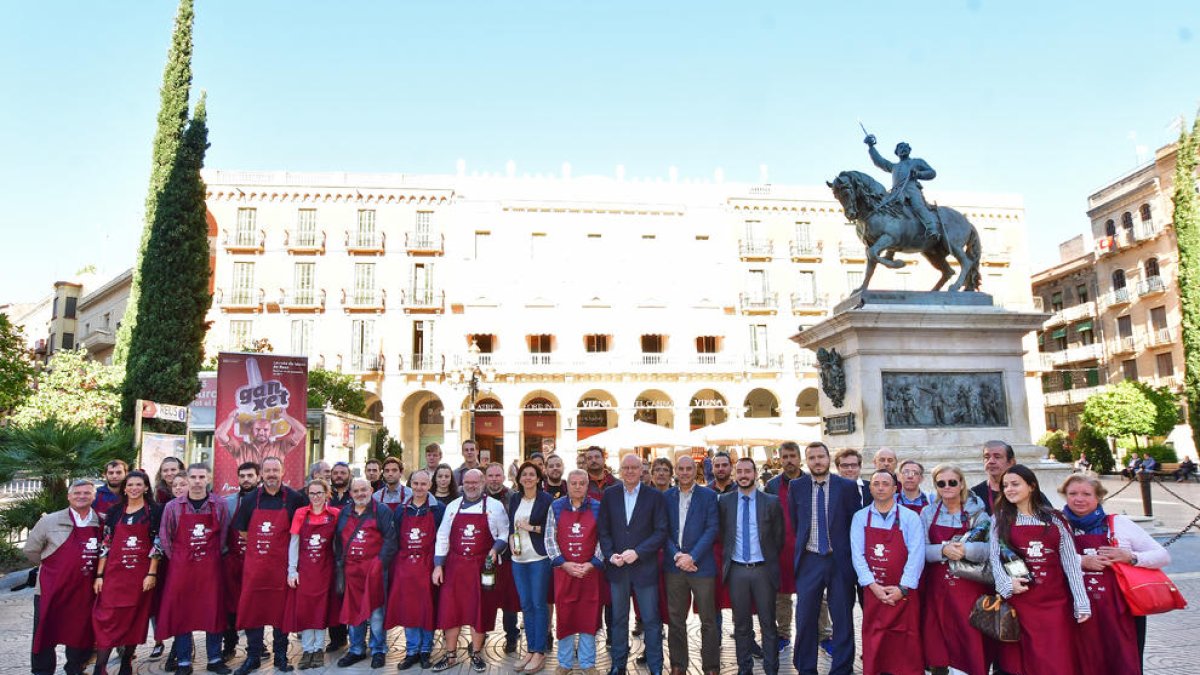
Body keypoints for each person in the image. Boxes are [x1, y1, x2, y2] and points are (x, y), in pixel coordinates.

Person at [1061, 472, 1170, 673]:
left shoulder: (1118, 524)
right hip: (1074, 608)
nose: (1079, 499)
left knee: (1124, 660)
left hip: (1120, 610)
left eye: (1086, 494)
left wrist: (1130, 557)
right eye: (1072, 493)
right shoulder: (1057, 525)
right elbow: (1047, 558)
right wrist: (1081, 561)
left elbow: (1162, 555)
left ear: (1098, 497)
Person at [990, 464, 1090, 675]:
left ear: (1032, 486)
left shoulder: (1055, 519)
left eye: (1015, 484)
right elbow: (995, 559)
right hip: (1020, 603)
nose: (1009, 489)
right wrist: (1006, 585)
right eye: (1005, 485)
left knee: (1056, 660)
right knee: (1023, 664)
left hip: (1055, 604)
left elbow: (1070, 562)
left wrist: (1081, 601)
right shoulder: (1000, 520)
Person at [231, 456, 308, 674]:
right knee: (253, 612)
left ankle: (281, 656)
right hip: (255, 569)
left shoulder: (295, 498)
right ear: (262, 474)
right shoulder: (250, 499)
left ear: (283, 472)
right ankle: (253, 656)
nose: (272, 474)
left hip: (282, 568)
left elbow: (300, 532)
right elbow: (243, 531)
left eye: (276, 470)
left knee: (280, 613)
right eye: (268, 470)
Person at [789, 441, 860, 675]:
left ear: (829, 459)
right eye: (812, 458)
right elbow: (796, 522)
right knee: (806, 618)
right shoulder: (796, 487)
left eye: (821, 457)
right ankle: (806, 668)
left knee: (842, 618)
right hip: (810, 560)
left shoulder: (846, 487)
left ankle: (841, 669)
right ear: (806, 461)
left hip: (839, 561)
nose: (817, 461)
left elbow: (854, 524)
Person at [431, 469, 510, 673]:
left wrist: (495, 550)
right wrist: (439, 565)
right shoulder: (452, 507)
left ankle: (475, 653)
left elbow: (504, 532)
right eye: (468, 482)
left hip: (482, 567)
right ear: (462, 483)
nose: (471, 485)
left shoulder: (494, 506)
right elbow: (442, 537)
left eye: (476, 482)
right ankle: (450, 655)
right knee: (451, 610)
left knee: (480, 610)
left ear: (483, 483)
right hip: (455, 566)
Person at [157, 464, 230, 675]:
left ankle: (215, 659)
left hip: (211, 568)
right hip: (181, 569)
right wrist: (178, 559)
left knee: (213, 612)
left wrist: (213, 555)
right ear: (186, 479)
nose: (197, 481)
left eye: (201, 477)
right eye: (193, 477)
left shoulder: (220, 504)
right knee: (182, 613)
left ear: (208, 478)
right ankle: (183, 662)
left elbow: (223, 534)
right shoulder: (172, 506)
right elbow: (165, 536)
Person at [851, 469, 926, 675]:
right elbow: (857, 555)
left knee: (906, 639)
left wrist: (903, 587)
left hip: (904, 592)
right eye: (876, 483)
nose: (881, 487)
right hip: (874, 591)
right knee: (875, 637)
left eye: (886, 483)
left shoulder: (910, 518)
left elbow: (917, 554)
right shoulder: (860, 518)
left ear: (895, 488)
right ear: (871, 488)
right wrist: (872, 586)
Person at [919, 464, 992, 675]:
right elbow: (920, 550)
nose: (947, 486)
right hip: (938, 589)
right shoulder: (927, 512)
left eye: (952, 482)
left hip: (969, 588)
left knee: (969, 637)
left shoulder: (977, 513)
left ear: (961, 484)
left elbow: (990, 549)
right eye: (941, 483)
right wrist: (943, 550)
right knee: (938, 638)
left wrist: (965, 550)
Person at [599, 453, 668, 675]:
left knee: (651, 619)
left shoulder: (654, 496)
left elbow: (660, 532)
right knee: (619, 620)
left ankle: (656, 666)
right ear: (620, 471)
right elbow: (604, 529)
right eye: (625, 467)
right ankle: (618, 664)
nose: (629, 471)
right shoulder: (609, 495)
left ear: (641, 471)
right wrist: (610, 555)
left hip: (644, 568)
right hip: (617, 568)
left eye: (634, 467)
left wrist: (638, 552)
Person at [26, 480, 102, 675]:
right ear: (69, 496)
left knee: (80, 632)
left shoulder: (102, 522)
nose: (81, 496)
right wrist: (53, 570)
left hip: (84, 591)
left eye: (87, 493)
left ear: (94, 497)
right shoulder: (49, 521)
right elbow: (31, 550)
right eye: (77, 493)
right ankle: (42, 671)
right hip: (50, 589)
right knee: (44, 632)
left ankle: (75, 668)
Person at [92, 470, 163, 675]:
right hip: (114, 574)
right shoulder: (115, 512)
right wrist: (99, 575)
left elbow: (157, 545)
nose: (134, 488)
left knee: (134, 618)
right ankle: (100, 667)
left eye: (138, 484)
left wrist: (151, 574)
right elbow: (105, 544)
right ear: (124, 488)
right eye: (130, 485)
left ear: (146, 487)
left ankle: (126, 662)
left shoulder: (155, 511)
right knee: (107, 618)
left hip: (140, 576)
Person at [721, 457, 784, 675]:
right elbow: (722, 534)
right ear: (734, 474)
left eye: (748, 471)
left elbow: (779, 538)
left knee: (768, 623)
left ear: (756, 473)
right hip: (737, 570)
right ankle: (744, 668)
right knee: (741, 625)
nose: (743, 475)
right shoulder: (724, 502)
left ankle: (771, 669)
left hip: (763, 570)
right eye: (739, 471)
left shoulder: (771, 502)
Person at [384, 470, 444, 671]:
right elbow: (395, 537)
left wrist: (439, 565)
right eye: (415, 484)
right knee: (409, 609)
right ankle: (411, 651)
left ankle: (426, 650)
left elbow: (442, 539)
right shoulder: (401, 510)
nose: (419, 488)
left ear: (430, 485)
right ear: (411, 485)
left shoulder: (438, 509)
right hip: (405, 566)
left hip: (428, 565)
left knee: (427, 609)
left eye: (423, 484)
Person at [664, 456, 719, 675]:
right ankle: (678, 664)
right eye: (681, 469)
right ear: (675, 471)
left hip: (701, 567)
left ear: (695, 471)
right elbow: (662, 530)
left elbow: (712, 529)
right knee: (676, 620)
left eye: (689, 469)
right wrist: (678, 555)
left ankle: (711, 667)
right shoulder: (666, 497)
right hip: (674, 566)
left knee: (708, 620)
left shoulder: (709, 496)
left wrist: (692, 556)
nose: (685, 472)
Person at [546, 470, 605, 675]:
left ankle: (588, 664)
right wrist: (564, 563)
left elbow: (603, 538)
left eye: (582, 483)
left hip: (590, 572)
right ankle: (565, 662)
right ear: (567, 485)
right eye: (574, 483)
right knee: (565, 616)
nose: (578, 486)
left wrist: (592, 563)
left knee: (589, 616)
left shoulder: (598, 507)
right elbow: (549, 539)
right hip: (564, 572)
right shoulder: (556, 506)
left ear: (588, 485)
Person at [334, 479, 394, 669]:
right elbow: (338, 540)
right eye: (356, 490)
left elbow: (391, 541)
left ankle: (378, 649)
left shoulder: (382, 511)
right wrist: (340, 563)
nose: (360, 493)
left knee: (376, 612)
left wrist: (379, 564)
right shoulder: (344, 512)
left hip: (374, 570)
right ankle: (356, 649)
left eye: (364, 489)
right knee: (354, 611)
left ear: (371, 490)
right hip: (351, 571)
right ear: (350, 493)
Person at [283, 478, 340, 670]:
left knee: (321, 610)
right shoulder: (301, 513)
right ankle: (307, 650)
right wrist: (292, 570)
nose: (316, 497)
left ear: (327, 494)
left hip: (326, 570)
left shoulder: (334, 514)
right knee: (306, 610)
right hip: (305, 571)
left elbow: (339, 543)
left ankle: (318, 650)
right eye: (312, 493)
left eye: (320, 493)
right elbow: (294, 543)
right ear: (308, 495)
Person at [508, 462, 554, 673]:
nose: (527, 477)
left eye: (531, 474)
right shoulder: (515, 498)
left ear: (538, 478)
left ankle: (539, 652)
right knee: (526, 605)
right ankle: (529, 650)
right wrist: (511, 543)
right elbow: (511, 525)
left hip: (538, 558)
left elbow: (552, 528)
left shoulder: (546, 499)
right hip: (519, 559)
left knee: (538, 604)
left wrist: (531, 528)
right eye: (524, 474)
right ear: (519, 479)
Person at [764, 441, 804, 654]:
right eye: (785, 456)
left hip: (807, 549)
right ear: (779, 459)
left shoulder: (810, 481)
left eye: (792, 456)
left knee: (816, 595)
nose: (789, 460)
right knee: (781, 595)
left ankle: (823, 634)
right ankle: (783, 633)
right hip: (780, 549)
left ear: (799, 458)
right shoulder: (771, 485)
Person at [864, 133, 939, 238]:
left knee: (918, 206)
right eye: (900, 148)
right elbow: (879, 161)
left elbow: (932, 173)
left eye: (905, 147)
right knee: (883, 208)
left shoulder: (917, 161)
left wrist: (918, 174)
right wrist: (871, 147)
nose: (903, 149)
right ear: (897, 152)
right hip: (896, 193)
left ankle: (932, 228)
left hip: (911, 189)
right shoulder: (894, 166)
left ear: (909, 150)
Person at [481, 462, 522, 653]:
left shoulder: (513, 497)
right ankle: (480, 633)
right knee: (484, 597)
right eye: (491, 476)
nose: (494, 479)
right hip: (482, 558)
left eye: (498, 476)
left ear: (504, 477)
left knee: (509, 600)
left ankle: (511, 636)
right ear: (485, 478)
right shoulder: (477, 497)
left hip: (507, 558)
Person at [222, 462, 260, 661]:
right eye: (242, 476)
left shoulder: (264, 501)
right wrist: (226, 553)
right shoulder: (228, 502)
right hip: (233, 562)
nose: (246, 479)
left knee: (255, 605)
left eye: (250, 475)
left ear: (258, 477)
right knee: (230, 606)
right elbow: (222, 531)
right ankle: (229, 644)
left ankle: (257, 645)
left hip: (257, 562)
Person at [216, 409, 307, 467]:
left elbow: (301, 431)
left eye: (265, 429)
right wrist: (231, 418)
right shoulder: (241, 448)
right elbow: (220, 434)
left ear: (271, 432)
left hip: (272, 493)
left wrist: (285, 416)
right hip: (248, 493)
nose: (261, 432)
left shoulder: (280, 447)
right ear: (252, 430)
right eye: (258, 429)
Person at [971, 440, 1016, 515]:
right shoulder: (974, 495)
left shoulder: (1026, 492)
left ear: (1011, 462)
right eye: (987, 457)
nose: (991, 461)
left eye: (997, 457)